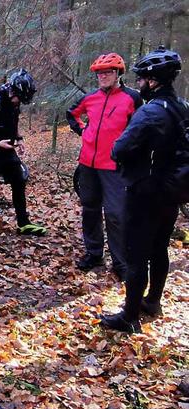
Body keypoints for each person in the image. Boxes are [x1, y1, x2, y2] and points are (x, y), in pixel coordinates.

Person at [100, 46, 185, 333]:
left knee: (136, 253)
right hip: (171, 192)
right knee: (159, 248)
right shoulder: (182, 107)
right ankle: (153, 302)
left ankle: (129, 316)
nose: (138, 84)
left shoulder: (149, 112)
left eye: (142, 79)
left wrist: (119, 150)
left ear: (153, 80)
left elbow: (120, 148)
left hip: (144, 192)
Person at [67, 53, 142, 281]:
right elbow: (72, 113)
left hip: (114, 166)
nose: (103, 77)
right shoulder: (90, 98)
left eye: (108, 72)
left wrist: (129, 150)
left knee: (115, 214)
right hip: (88, 163)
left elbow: (141, 127)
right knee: (90, 210)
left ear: (118, 73)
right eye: (100, 73)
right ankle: (94, 254)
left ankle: (120, 262)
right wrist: (82, 130)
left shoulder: (132, 98)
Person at [0, 69, 46, 245]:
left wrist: (19, 139)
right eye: (19, 98)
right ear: (14, 91)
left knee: (19, 182)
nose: (18, 103)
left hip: (7, 151)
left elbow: (13, 124)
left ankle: (23, 223)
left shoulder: (14, 103)